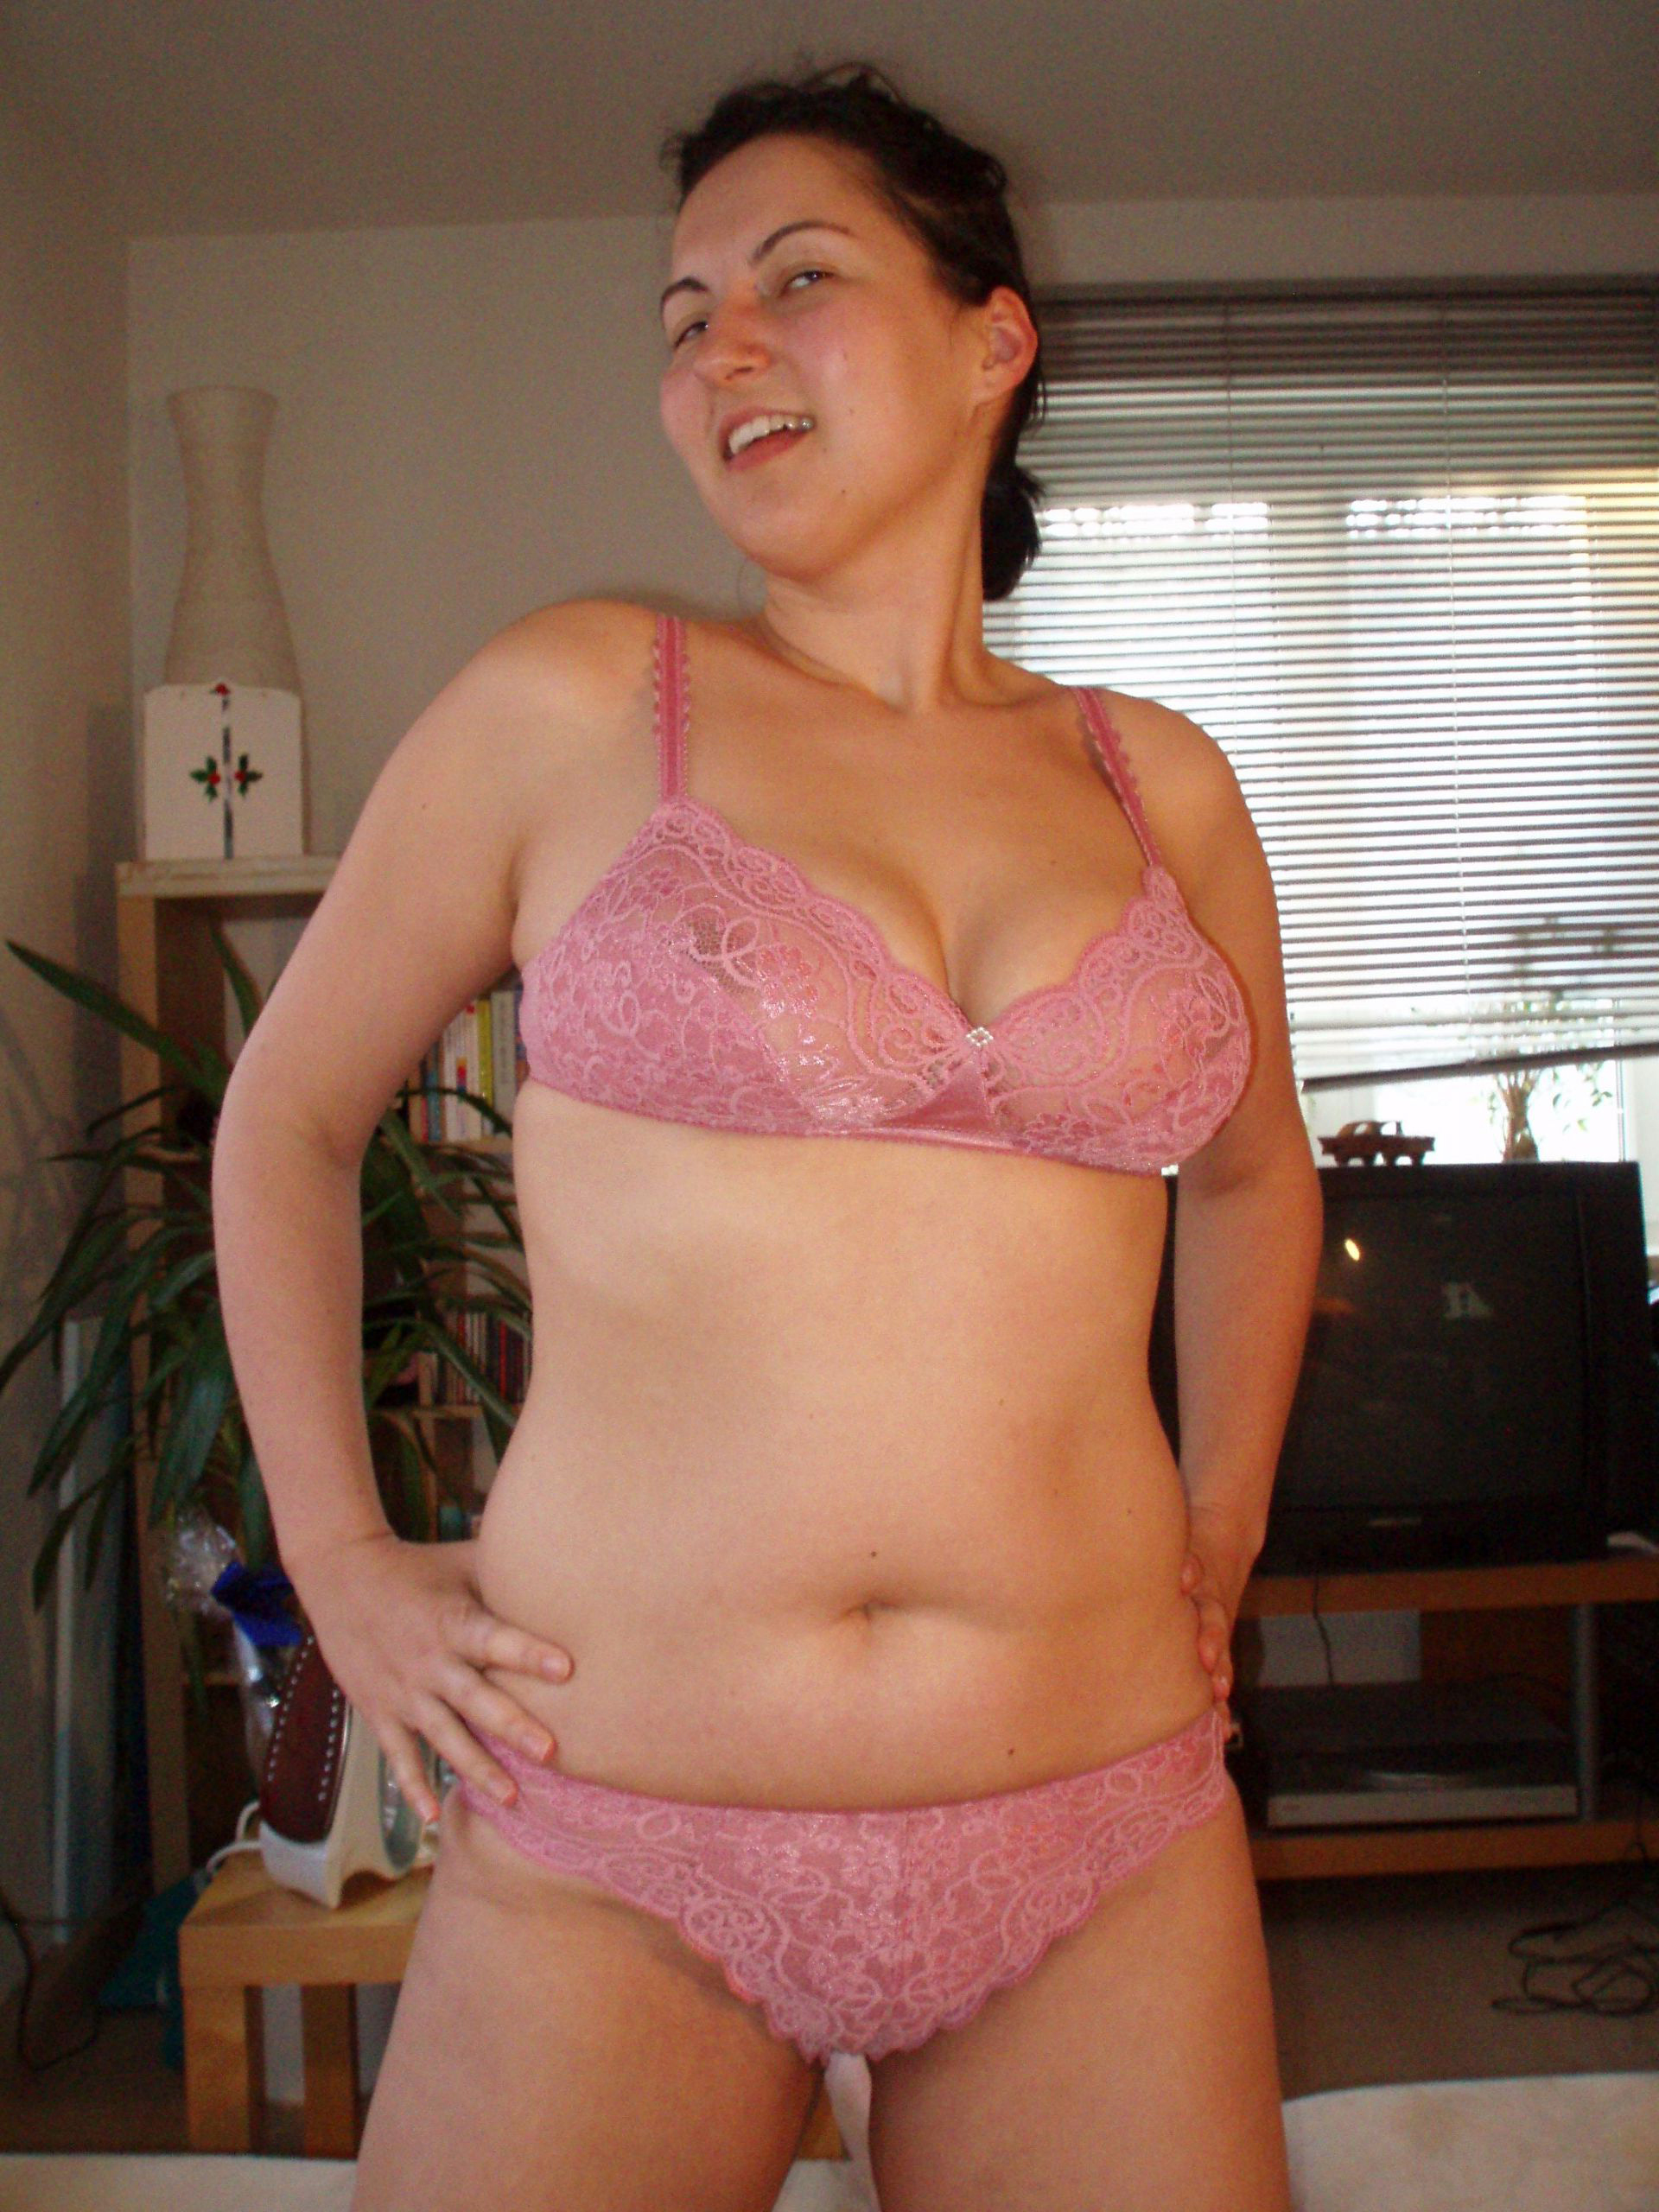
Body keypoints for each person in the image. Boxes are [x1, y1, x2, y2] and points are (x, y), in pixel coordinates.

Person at [212, 57, 1323, 2212]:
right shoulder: (576, 700)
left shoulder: (1157, 783)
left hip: (1101, 1812)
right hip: (622, 1823)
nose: (721, 346)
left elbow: (1257, 1173)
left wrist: (1228, 1510)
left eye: (796, 278)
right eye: (683, 312)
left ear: (992, 340)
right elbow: (289, 1114)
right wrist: (340, 1562)